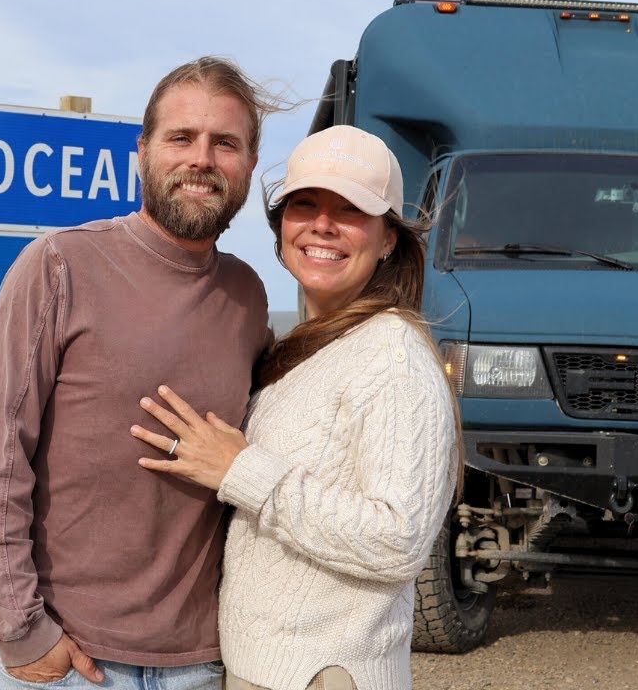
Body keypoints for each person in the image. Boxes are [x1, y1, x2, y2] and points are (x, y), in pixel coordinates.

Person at [0, 56, 281, 689]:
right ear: (142, 151)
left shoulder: (247, 295)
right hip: (72, 659)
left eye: (226, 143)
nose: (202, 159)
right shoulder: (58, 265)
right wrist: (22, 630)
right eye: (181, 138)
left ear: (248, 165)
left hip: (202, 661)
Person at [132, 125, 460, 690]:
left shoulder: (394, 357)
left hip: (324, 674)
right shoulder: (313, 344)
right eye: (304, 204)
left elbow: (399, 540)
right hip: (271, 669)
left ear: (387, 239)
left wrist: (242, 471)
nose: (323, 225)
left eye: (352, 209)